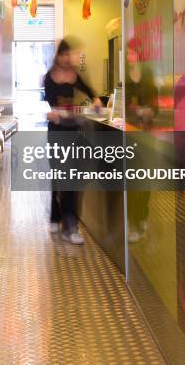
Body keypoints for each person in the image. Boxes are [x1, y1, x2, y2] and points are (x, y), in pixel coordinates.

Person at [44, 38, 102, 245]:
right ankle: (55, 216)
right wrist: (52, 113)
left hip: (74, 132)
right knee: (58, 176)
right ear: (58, 56)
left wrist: (96, 101)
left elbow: (92, 93)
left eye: (71, 54)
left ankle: (70, 226)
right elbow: (46, 105)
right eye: (65, 55)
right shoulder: (49, 78)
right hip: (56, 134)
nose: (69, 58)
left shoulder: (76, 75)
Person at [124, 38, 159, 243]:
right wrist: (132, 110)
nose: (128, 57)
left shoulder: (147, 75)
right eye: (127, 53)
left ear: (139, 54)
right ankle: (134, 223)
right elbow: (121, 104)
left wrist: (149, 111)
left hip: (147, 133)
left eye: (130, 53)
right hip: (130, 134)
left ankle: (142, 216)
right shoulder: (125, 76)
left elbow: (156, 105)